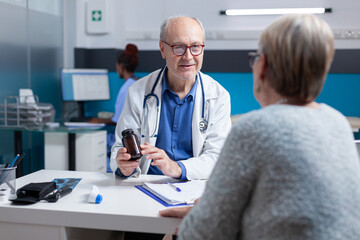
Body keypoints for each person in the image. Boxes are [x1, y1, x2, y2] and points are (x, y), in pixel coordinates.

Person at [160, 14, 360, 240]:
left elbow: (203, 232)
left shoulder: (254, 129)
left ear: (262, 66)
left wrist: (202, 215)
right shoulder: (338, 123)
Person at [110, 16, 231, 181]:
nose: (188, 56)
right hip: (145, 186)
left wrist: (176, 167)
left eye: (195, 47)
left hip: (194, 186)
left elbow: (217, 158)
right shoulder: (138, 92)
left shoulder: (218, 96)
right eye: (178, 47)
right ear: (162, 49)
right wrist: (124, 167)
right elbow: (120, 148)